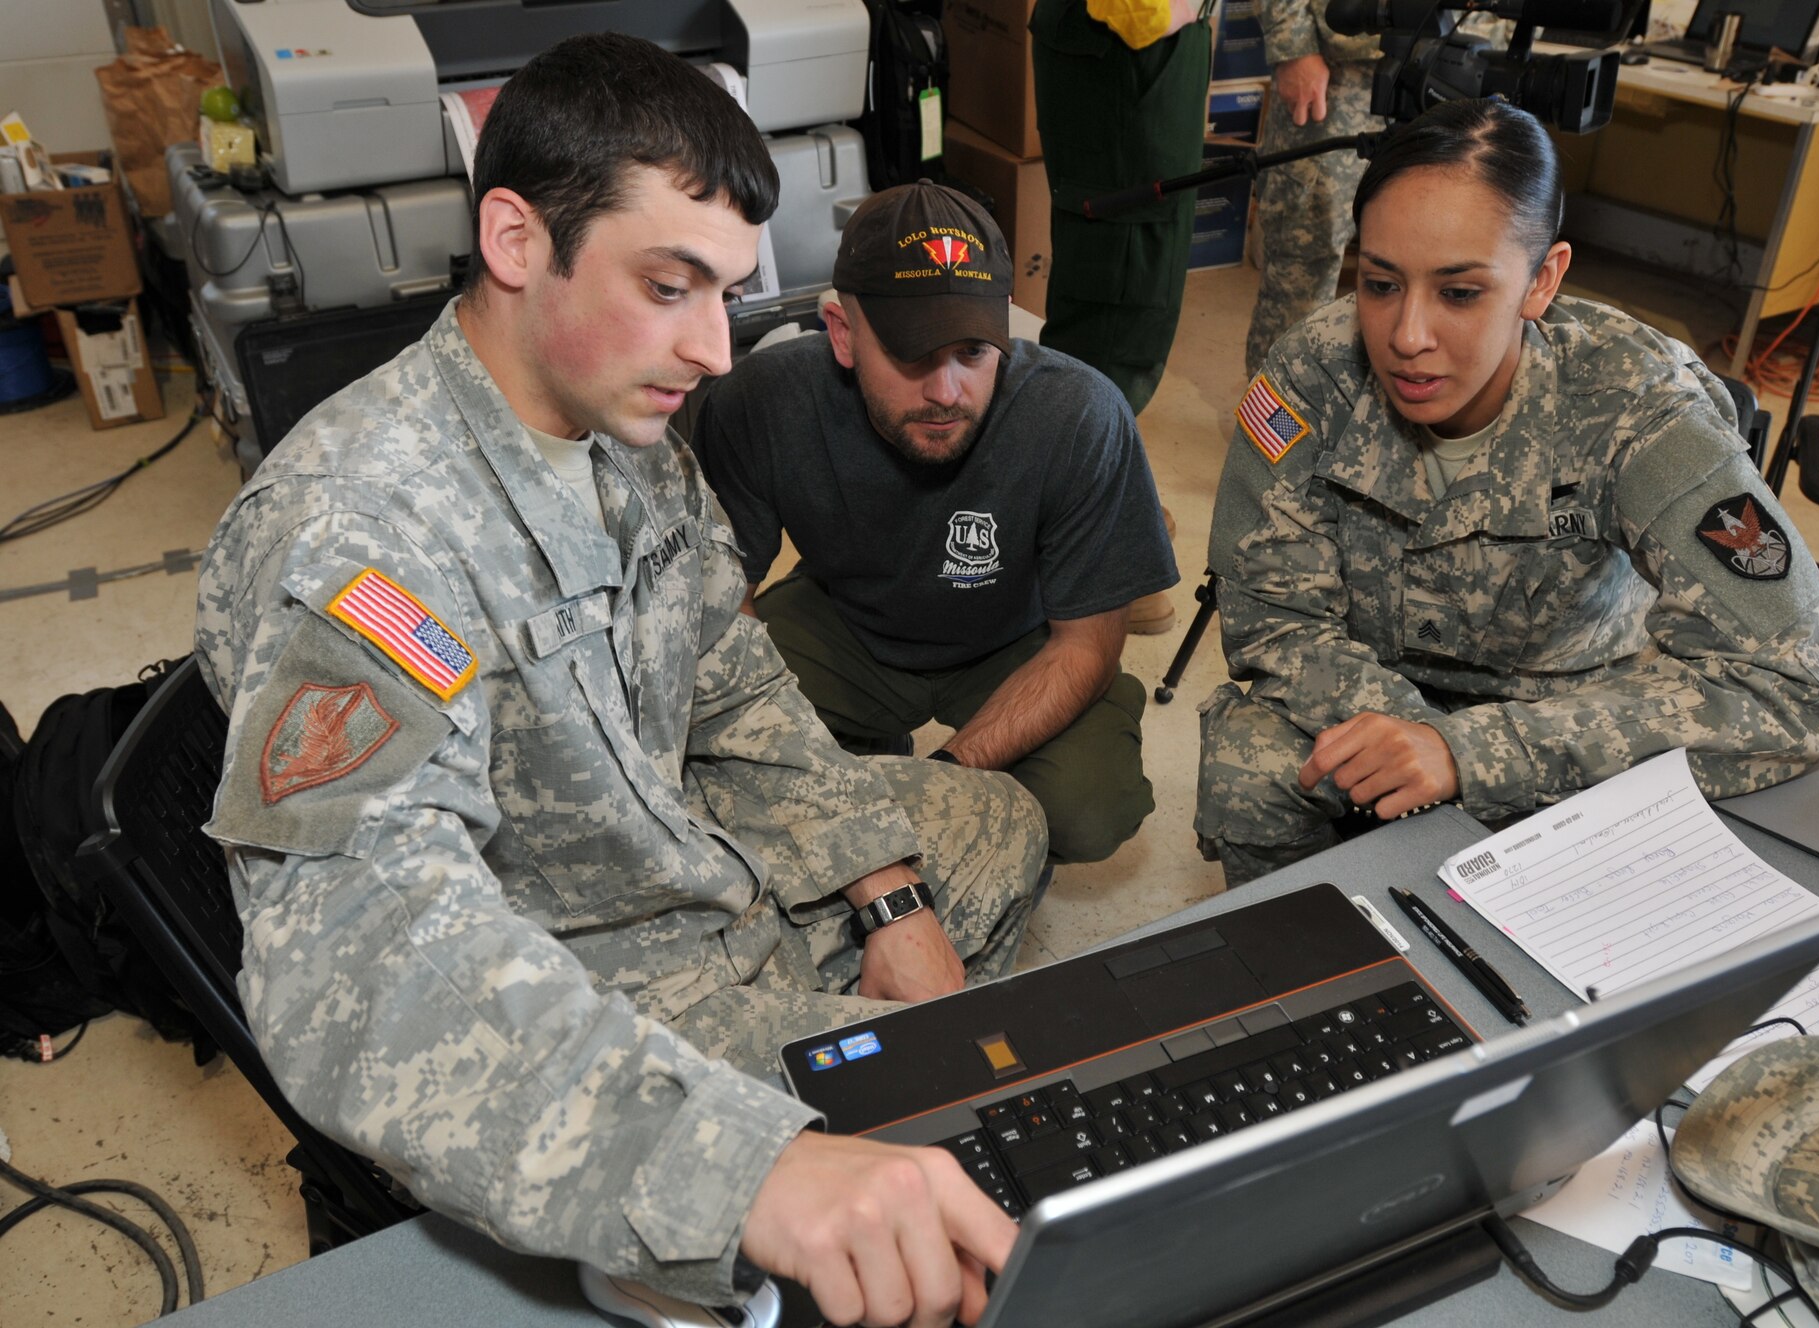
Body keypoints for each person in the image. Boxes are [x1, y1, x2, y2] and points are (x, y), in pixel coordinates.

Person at [193, 36, 1044, 1328]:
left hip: (693, 876)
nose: (714, 348)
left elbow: (731, 682)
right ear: (517, 240)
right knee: (931, 1192)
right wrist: (743, 1170)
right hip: (575, 987)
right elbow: (360, 953)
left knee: (996, 829)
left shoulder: (618, 422)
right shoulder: (364, 533)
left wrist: (885, 894)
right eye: (671, 286)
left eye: (729, 294)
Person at [1196, 98, 1819, 889]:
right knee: (1248, 766)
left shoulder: (1634, 401)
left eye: (1460, 293)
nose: (1407, 336)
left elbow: (1788, 688)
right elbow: (1273, 622)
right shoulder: (1312, 376)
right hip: (1365, 682)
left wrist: (1474, 755)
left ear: (1543, 280)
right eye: (1380, 283)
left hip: (1566, 710)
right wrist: (1408, 735)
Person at [693, 182, 1178, 869]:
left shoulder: (1079, 415)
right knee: (706, 757)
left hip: (1017, 635)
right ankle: (862, 747)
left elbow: (1086, 646)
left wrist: (946, 776)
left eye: (973, 353)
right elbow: (724, 606)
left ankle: (884, 772)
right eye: (914, 357)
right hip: (847, 619)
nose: (947, 393)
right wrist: (773, 743)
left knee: (1088, 809)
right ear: (842, 333)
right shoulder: (762, 401)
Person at [1031, 0, 1211, 417]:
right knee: (1118, 293)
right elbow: (1137, 9)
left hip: (1143, 49)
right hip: (1129, 44)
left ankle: (1077, 453)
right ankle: (1068, 464)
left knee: (1131, 280)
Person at [1244, 0, 1381, 378]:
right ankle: (1275, 420)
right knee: (1304, 253)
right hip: (1339, 69)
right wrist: (1293, 45)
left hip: (1464, 58)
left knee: (1439, 264)